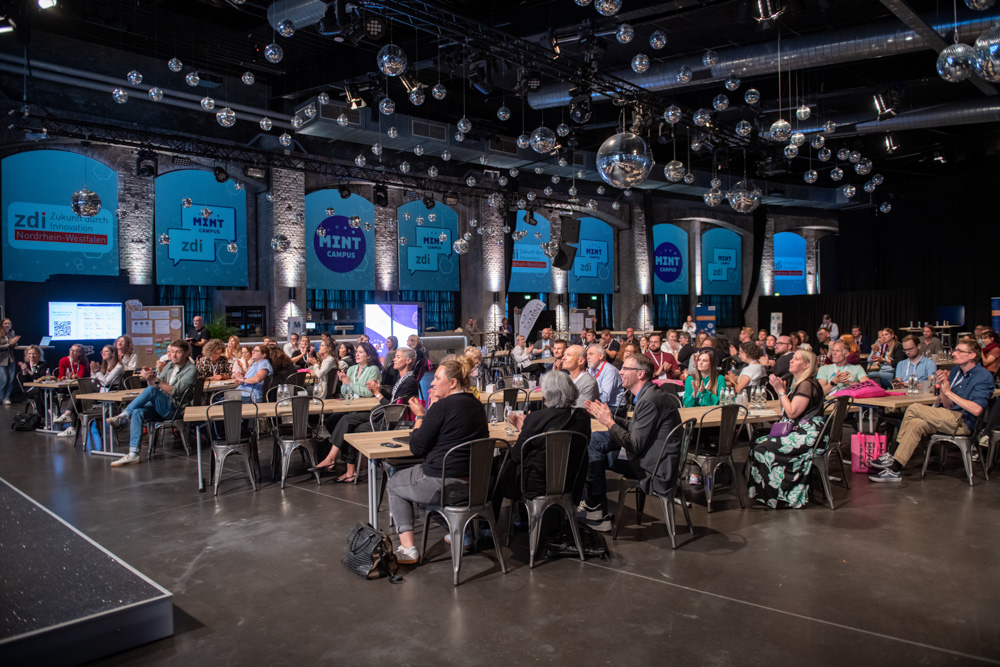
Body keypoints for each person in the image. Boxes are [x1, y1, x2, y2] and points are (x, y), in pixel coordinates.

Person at [387, 355, 490, 564]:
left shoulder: (442, 407)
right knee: (424, 489)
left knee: (395, 483)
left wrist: (421, 415)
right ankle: (461, 536)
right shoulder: (477, 405)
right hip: (475, 485)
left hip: (442, 482)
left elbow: (417, 447)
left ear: (452, 383)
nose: (432, 383)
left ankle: (408, 550)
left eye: (436, 378)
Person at [868, 338, 994, 483]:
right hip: (948, 416)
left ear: (972, 355)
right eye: (955, 349)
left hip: (964, 422)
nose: (954, 353)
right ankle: (895, 470)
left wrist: (949, 392)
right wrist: (943, 389)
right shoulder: (955, 372)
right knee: (915, 423)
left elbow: (977, 410)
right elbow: (948, 406)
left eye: (959, 351)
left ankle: (891, 452)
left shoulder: (983, 376)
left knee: (914, 408)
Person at [582, 353, 681, 531]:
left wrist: (609, 422)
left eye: (625, 368)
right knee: (595, 443)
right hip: (657, 455)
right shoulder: (651, 394)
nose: (620, 372)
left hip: (655, 467)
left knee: (594, 454)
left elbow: (634, 444)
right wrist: (611, 418)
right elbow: (637, 427)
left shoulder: (649, 400)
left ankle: (597, 510)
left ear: (640, 374)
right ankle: (596, 508)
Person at [490, 370, 592, 520]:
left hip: (536, 483)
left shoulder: (536, 418)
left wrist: (523, 429)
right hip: (570, 481)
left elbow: (517, 455)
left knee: (496, 465)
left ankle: (488, 525)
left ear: (547, 393)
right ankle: (525, 518)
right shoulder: (582, 417)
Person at [313, 345, 414, 482]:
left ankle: (335, 461)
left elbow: (394, 408)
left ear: (408, 361)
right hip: (380, 413)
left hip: (388, 419)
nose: (393, 360)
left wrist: (376, 393)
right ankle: (346, 469)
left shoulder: (409, 381)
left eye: (397, 357)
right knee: (343, 422)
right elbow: (392, 399)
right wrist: (380, 391)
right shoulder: (401, 378)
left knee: (348, 422)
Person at [747, 350, 826, 508]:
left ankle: (780, 496)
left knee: (762, 448)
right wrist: (781, 392)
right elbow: (784, 411)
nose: (791, 361)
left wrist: (781, 391)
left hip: (807, 435)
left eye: (796, 359)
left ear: (806, 365)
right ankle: (768, 495)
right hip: (799, 430)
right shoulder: (798, 383)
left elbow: (792, 412)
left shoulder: (807, 384)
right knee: (757, 443)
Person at [107, 340, 198, 467]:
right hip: (161, 406)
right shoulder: (169, 366)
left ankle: (123, 416)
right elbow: (156, 386)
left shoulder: (191, 369)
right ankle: (133, 454)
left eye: (178, 352)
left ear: (186, 352)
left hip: (176, 408)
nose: (173, 355)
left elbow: (174, 392)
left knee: (151, 390)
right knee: (138, 412)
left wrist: (154, 380)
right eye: (171, 352)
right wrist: (149, 378)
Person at [51, 344, 91, 425]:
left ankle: (69, 417)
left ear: (80, 353)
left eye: (75, 351)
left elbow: (80, 376)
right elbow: (61, 376)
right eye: (71, 350)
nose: (72, 352)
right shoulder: (64, 360)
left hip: (77, 386)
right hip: (65, 386)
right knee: (77, 394)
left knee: (77, 393)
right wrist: (68, 376)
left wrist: (74, 376)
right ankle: (73, 423)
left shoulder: (83, 362)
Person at [587, 343, 622, 411]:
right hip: (597, 404)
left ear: (600, 356)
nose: (588, 357)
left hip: (613, 407)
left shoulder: (610, 371)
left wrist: (591, 385)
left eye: (591, 354)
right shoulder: (591, 369)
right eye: (587, 354)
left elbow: (605, 398)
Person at [19, 345, 49, 416]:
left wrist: (28, 371)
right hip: (30, 389)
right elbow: (25, 381)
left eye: (34, 353)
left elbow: (40, 378)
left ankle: (42, 418)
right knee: (39, 392)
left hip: (41, 388)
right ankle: (50, 412)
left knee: (38, 395)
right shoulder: (26, 365)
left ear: (39, 354)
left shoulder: (43, 365)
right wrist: (24, 371)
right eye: (29, 354)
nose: (32, 356)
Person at [0, 317, 20, 406]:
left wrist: (15, 342)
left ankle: (7, 397)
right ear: (2, 325)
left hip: (11, 359)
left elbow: (14, 345)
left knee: (11, 379)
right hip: (1, 360)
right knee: (3, 380)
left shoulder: (12, 333)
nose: (8, 325)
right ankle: (1, 397)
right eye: (6, 324)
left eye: (9, 323)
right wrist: (9, 343)